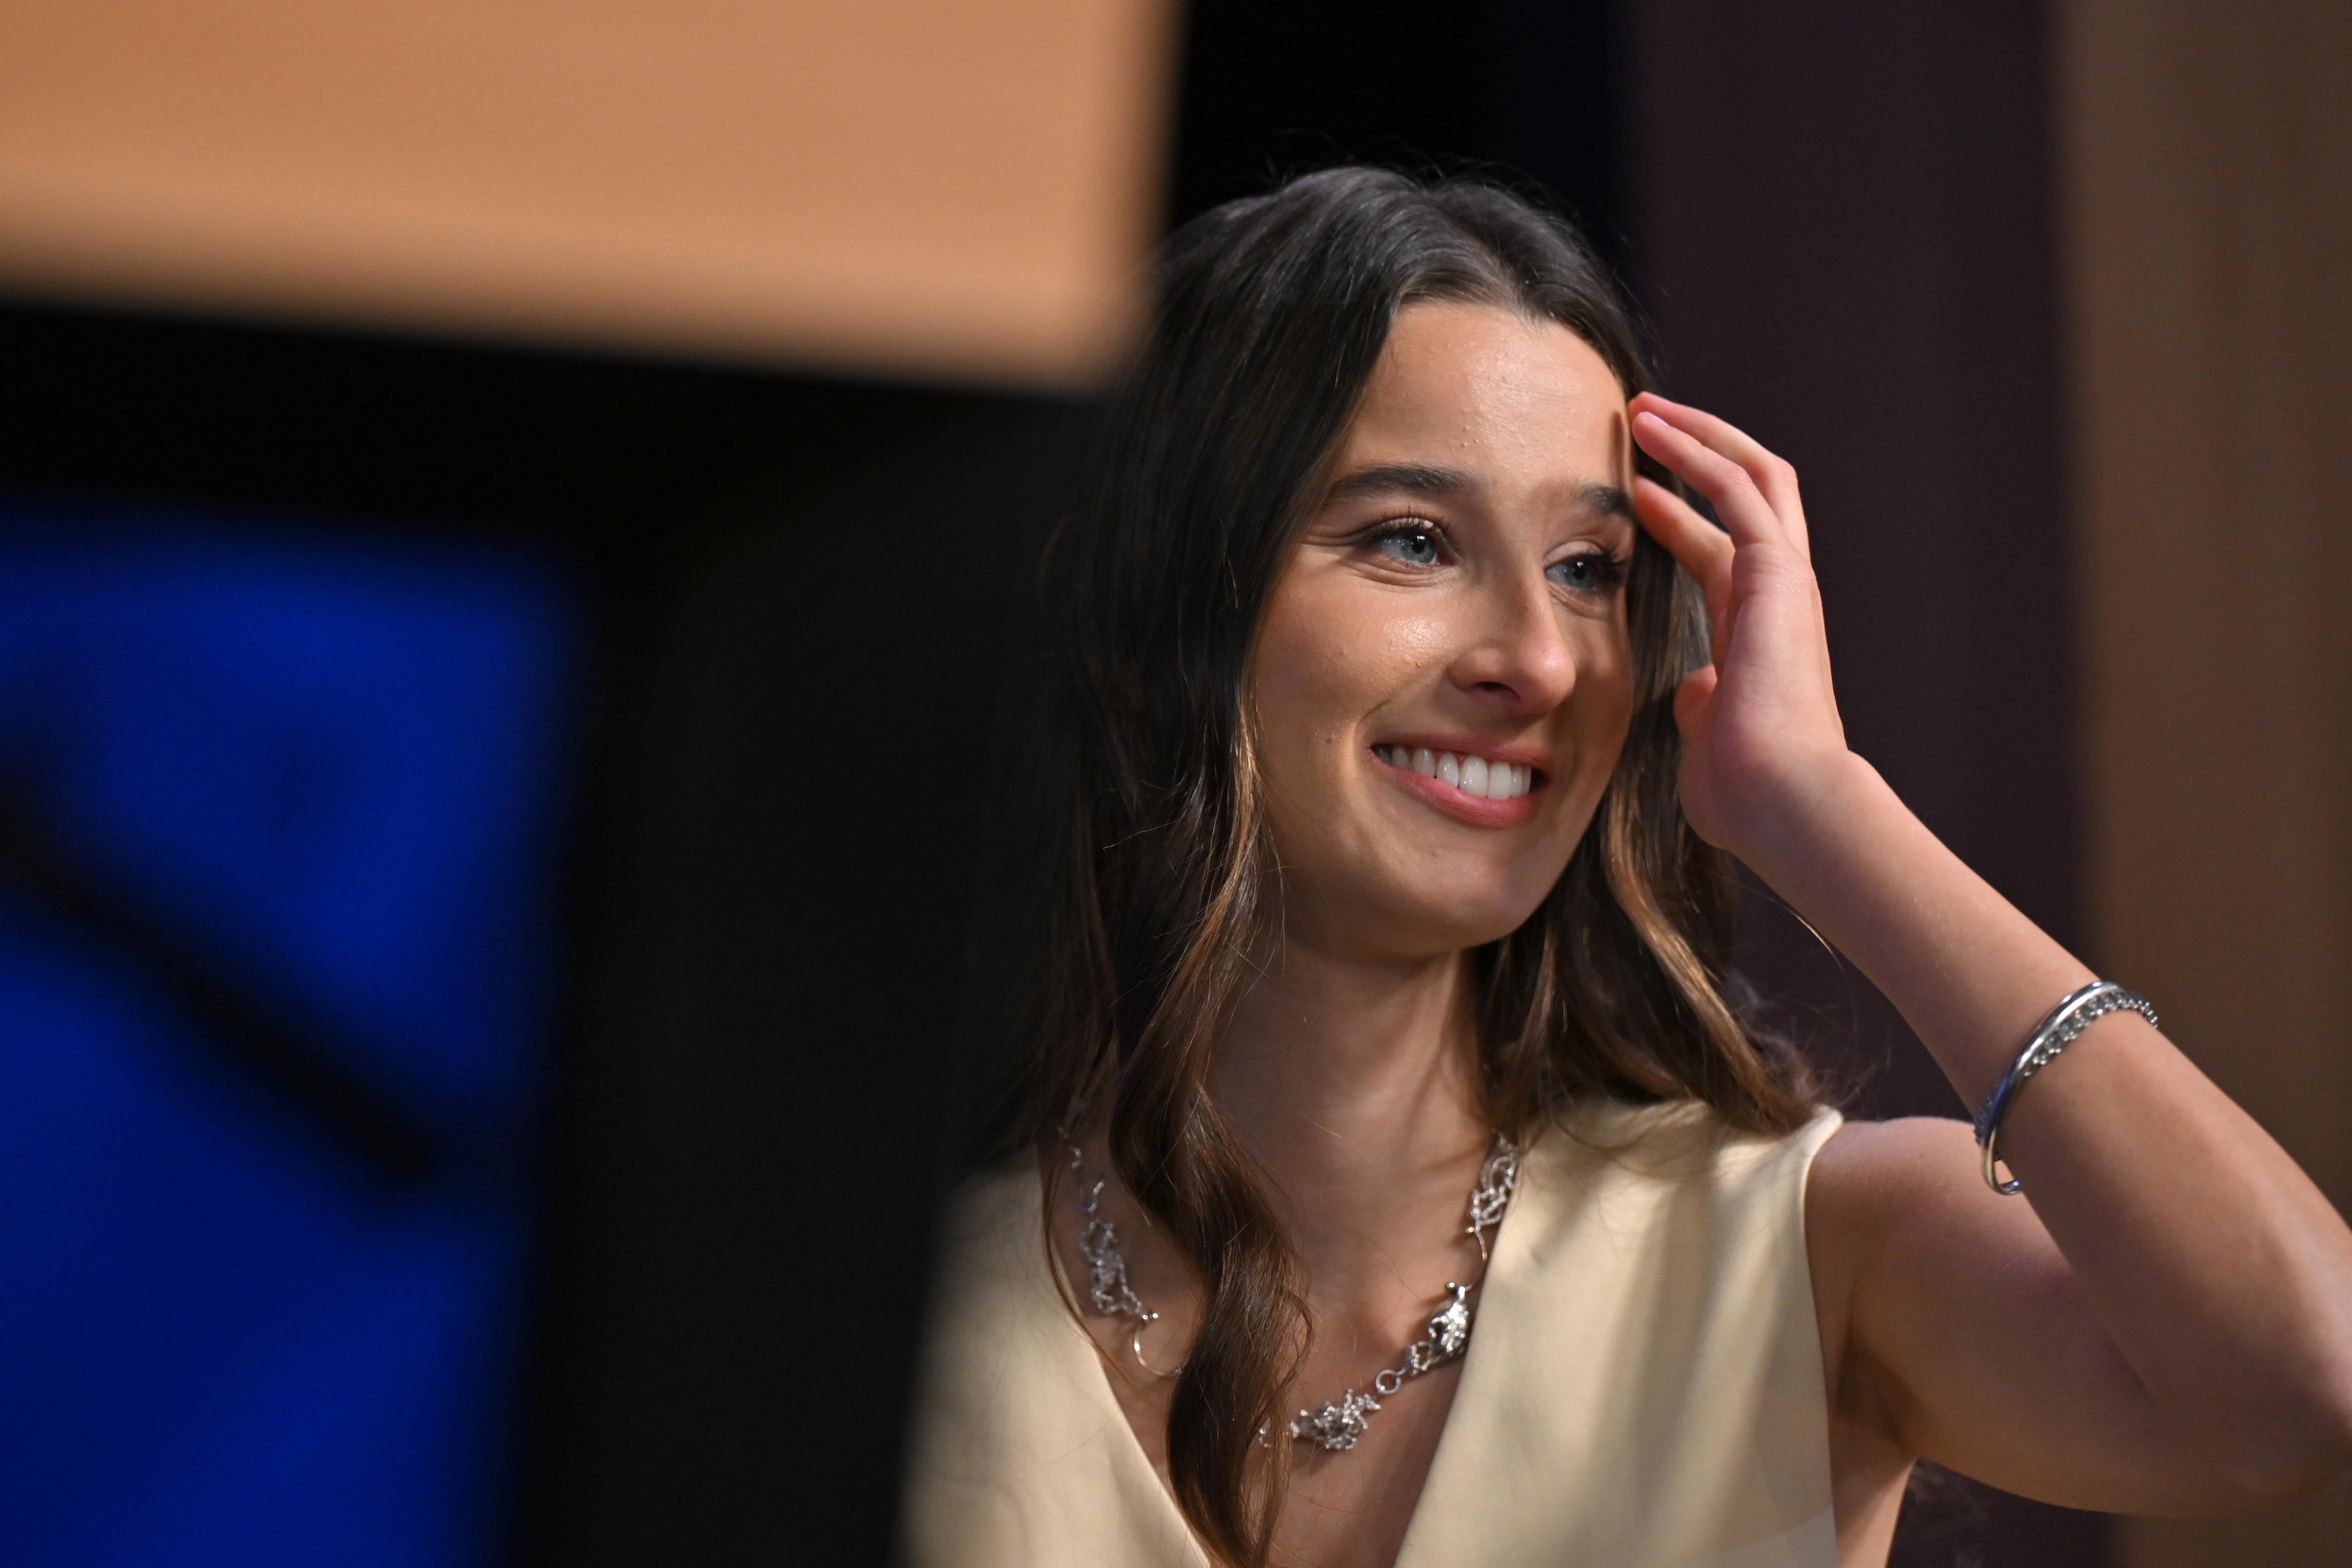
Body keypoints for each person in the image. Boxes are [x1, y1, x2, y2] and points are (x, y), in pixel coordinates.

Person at [899, 167, 2352, 1568]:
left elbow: (2299, 1383)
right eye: (1412, 540)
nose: (1537, 661)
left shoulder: (1800, 1253)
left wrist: (1824, 813)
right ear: (1161, 618)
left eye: (1592, 570)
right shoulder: (882, 1312)